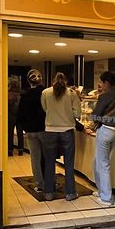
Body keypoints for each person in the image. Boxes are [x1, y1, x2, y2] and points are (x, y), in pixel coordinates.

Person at [41, 73, 81, 201]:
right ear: (66, 81)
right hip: (67, 130)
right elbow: (77, 113)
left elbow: (45, 109)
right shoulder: (71, 93)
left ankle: (49, 193)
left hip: (50, 130)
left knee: (49, 162)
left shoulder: (45, 93)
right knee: (69, 163)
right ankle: (70, 193)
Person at [92, 71, 115, 205]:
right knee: (97, 161)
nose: (100, 85)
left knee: (102, 163)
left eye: (100, 82)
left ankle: (105, 197)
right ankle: (101, 190)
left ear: (106, 83)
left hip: (106, 130)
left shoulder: (105, 95)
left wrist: (95, 120)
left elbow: (95, 115)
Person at [18, 69, 46, 191]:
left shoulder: (24, 95)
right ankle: (49, 181)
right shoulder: (45, 93)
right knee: (47, 157)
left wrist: (24, 128)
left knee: (35, 157)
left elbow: (20, 114)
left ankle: (40, 184)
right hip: (44, 129)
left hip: (30, 130)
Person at [8, 79, 23, 156]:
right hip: (20, 116)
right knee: (20, 133)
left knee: (10, 133)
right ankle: (20, 150)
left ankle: (10, 150)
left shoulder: (8, 94)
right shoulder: (21, 95)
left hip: (11, 115)